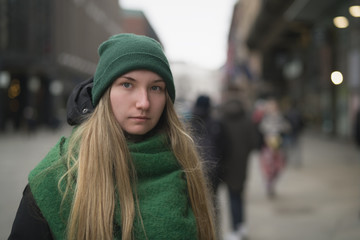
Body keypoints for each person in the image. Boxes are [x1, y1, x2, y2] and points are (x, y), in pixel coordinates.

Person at [9, 33, 216, 240]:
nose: (144, 102)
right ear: (104, 92)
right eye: (127, 84)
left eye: (155, 88)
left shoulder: (186, 164)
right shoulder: (58, 177)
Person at [220, 95, 258, 240]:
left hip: (227, 165)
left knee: (232, 197)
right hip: (242, 165)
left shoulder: (223, 119)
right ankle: (241, 226)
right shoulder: (247, 120)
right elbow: (254, 142)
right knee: (239, 196)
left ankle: (235, 229)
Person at [259, 98, 290, 198]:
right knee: (268, 168)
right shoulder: (265, 118)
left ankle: (271, 183)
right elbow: (261, 129)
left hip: (278, 147)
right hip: (267, 148)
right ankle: (269, 185)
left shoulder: (280, 117)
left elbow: (286, 127)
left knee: (278, 167)